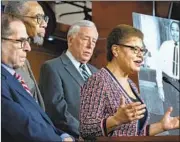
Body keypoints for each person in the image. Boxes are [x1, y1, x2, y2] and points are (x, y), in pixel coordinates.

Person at [80, 24, 180, 139]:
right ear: (116, 50)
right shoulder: (98, 81)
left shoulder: (131, 84)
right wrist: (116, 119)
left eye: (142, 50)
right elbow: (85, 129)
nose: (140, 55)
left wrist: (162, 126)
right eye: (134, 49)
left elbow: (133, 134)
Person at [1, 14, 74, 142]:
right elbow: (23, 125)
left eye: (27, 41)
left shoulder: (14, 78)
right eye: (20, 41)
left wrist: (63, 135)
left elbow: (40, 120)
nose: (28, 48)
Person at [39, 20, 98, 138]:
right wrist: (88, 134)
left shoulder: (96, 72)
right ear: (70, 40)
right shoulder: (52, 67)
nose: (90, 45)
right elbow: (57, 111)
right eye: (86, 39)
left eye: (94, 41)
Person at [4, 1, 48, 110]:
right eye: (38, 17)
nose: (44, 24)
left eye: (44, 18)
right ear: (16, 19)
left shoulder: (24, 60)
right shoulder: (6, 62)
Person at [156, 20, 179, 135]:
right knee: (169, 114)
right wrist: (160, 87)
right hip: (167, 83)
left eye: (177, 30)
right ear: (170, 31)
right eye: (172, 30)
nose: (175, 33)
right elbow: (158, 66)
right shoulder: (165, 45)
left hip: (178, 84)